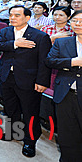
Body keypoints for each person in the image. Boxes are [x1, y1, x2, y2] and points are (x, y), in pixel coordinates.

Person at [0, 6, 52, 158]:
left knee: (30, 112)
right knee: (10, 108)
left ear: (27, 18)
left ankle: (30, 141)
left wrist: (42, 81)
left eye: (17, 15)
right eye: (11, 15)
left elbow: (44, 62)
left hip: (29, 80)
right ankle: (13, 132)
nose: (12, 18)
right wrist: (15, 43)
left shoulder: (40, 36)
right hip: (7, 76)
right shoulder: (6, 31)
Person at [45, 10, 82, 162]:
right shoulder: (63, 42)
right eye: (75, 21)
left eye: (81, 21)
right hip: (65, 95)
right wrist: (72, 62)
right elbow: (50, 61)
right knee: (67, 135)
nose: (78, 24)